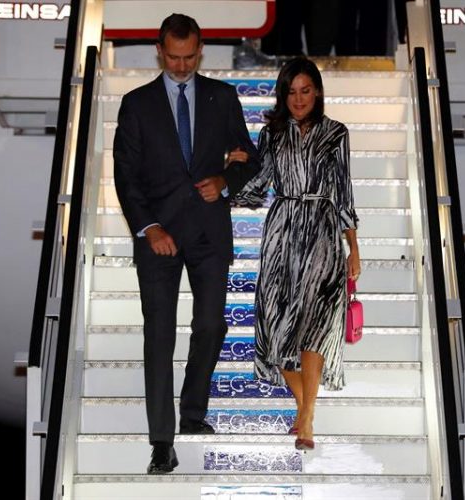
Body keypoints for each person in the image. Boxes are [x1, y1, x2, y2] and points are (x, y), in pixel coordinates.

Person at [113, 13, 261, 474]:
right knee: (158, 337)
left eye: (188, 57)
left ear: (200, 52)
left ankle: (193, 413)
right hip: (158, 235)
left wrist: (225, 179)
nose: (180, 66)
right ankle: (162, 440)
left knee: (211, 325)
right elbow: (125, 175)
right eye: (172, 57)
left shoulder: (223, 97)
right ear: (161, 51)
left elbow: (248, 158)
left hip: (208, 232)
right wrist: (149, 228)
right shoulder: (136, 104)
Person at [233, 57, 360, 450]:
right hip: (282, 230)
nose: (299, 98)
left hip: (322, 229)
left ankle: (306, 418)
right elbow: (258, 186)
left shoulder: (336, 133)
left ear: (317, 91)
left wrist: (352, 247)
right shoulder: (271, 133)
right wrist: (231, 171)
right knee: (274, 326)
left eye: (306, 91)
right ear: (283, 94)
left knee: (314, 323)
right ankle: (305, 404)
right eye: (292, 92)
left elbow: (343, 192)